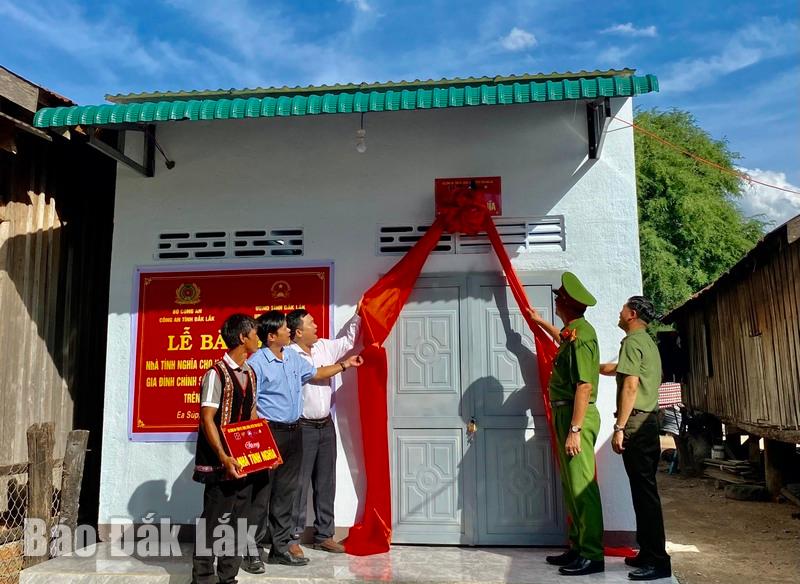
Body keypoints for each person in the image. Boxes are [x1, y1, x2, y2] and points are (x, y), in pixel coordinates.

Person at [242, 310, 364, 573]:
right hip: (269, 433)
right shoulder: (257, 363)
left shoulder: (292, 358)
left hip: (294, 431)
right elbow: (250, 401)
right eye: (284, 328)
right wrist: (258, 436)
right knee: (261, 496)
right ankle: (251, 552)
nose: (288, 330)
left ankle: (280, 549)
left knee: (286, 494)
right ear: (272, 336)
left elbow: (317, 373)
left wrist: (345, 365)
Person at [527, 272, 604, 576]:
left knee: (582, 486)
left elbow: (584, 385)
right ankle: (577, 547)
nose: (556, 302)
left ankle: (592, 554)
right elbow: (562, 338)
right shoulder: (574, 331)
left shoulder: (583, 335)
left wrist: (575, 429)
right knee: (571, 485)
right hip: (565, 413)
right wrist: (540, 323)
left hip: (576, 415)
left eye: (559, 298)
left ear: (568, 304)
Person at [600, 296, 672, 581]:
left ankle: (658, 560)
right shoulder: (648, 343)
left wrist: (619, 427)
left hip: (636, 422)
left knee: (644, 494)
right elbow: (626, 370)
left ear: (631, 314)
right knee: (644, 491)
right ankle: (647, 553)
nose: (619, 313)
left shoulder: (632, 342)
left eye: (622, 310)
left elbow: (630, 385)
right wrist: (594, 366)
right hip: (650, 420)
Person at [191, 314, 261, 584]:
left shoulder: (250, 373)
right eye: (254, 334)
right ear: (243, 338)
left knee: (239, 521)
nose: (258, 339)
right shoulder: (215, 374)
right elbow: (206, 418)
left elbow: (251, 413)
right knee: (213, 520)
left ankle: (228, 577)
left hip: (243, 460)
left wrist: (263, 448)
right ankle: (203, 577)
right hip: (219, 461)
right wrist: (223, 455)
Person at [287, 304, 361, 554]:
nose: (316, 326)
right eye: (311, 323)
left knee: (326, 482)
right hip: (302, 428)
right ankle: (292, 537)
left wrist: (358, 314)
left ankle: (324, 535)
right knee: (299, 484)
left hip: (325, 425)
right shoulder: (290, 355)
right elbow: (315, 374)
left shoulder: (324, 347)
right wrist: (344, 365)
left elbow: (348, 341)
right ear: (298, 332)